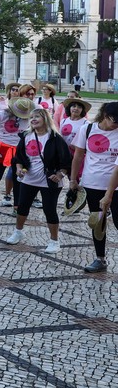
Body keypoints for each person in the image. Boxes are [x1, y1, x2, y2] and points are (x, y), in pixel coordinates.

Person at [4, 107, 72, 252]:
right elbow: (18, 157)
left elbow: (66, 161)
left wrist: (60, 174)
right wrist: (18, 168)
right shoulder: (26, 136)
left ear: (45, 119)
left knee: (49, 209)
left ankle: (54, 241)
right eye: (31, 117)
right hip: (29, 178)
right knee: (22, 206)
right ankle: (18, 232)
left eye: (37, 117)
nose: (33, 120)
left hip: (49, 180)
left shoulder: (55, 138)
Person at [73, 101, 118, 273]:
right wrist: (73, 179)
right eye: (115, 121)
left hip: (116, 186)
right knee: (98, 222)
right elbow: (78, 156)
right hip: (92, 183)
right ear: (105, 116)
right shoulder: (87, 129)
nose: (116, 125)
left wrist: (109, 194)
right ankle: (100, 259)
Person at [0, 96, 34, 213]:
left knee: (17, 178)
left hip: (18, 150)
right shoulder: (2, 114)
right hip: (2, 148)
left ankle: (17, 206)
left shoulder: (28, 117)